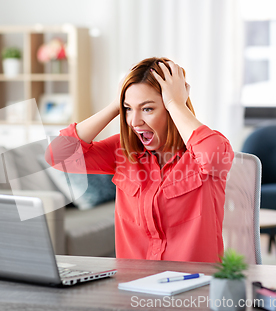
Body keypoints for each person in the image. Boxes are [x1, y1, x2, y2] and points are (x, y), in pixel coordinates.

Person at [45, 57, 234, 263]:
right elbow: (57, 155)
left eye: (147, 109)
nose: (134, 121)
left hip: (193, 285)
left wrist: (176, 103)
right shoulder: (124, 150)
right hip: (133, 284)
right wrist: (115, 105)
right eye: (128, 109)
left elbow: (213, 157)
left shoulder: (207, 150)